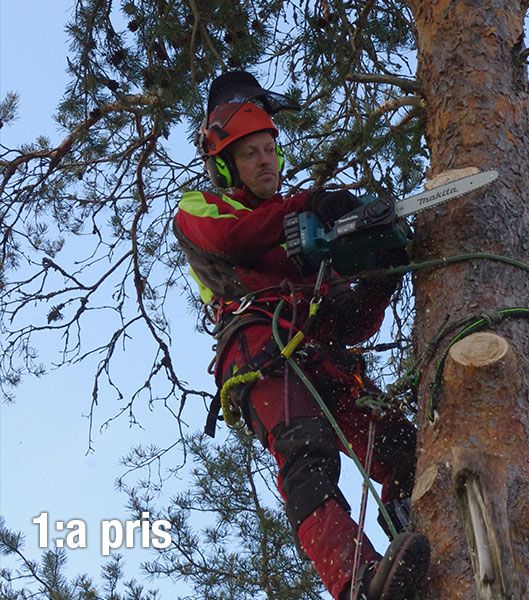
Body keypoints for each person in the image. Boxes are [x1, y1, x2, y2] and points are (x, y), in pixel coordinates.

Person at [174, 71, 429, 600]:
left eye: (270, 150)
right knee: (307, 455)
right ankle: (356, 581)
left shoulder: (303, 231)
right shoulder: (201, 210)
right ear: (225, 165)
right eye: (250, 154)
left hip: (324, 358)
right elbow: (235, 237)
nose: (265, 161)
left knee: (404, 449)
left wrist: (381, 272)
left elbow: (352, 323)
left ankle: (420, 534)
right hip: (260, 352)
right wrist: (312, 203)